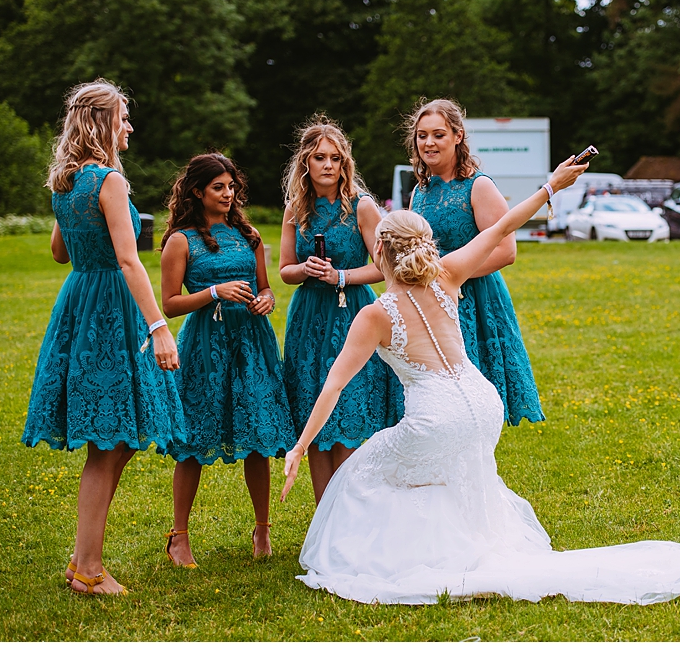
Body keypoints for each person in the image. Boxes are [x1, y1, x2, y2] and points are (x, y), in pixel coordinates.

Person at [279, 157, 680, 605]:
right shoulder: (448, 274)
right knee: (446, 477)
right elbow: (502, 227)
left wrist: (300, 447)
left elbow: (334, 385)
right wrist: (551, 186)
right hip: (483, 404)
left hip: (438, 415)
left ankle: (400, 557)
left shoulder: (374, 314)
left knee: (359, 473)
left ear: (377, 250)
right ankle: (452, 543)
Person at [22, 79, 185, 596]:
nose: (130, 126)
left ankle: (82, 556)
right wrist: (160, 326)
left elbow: (59, 252)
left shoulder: (65, 184)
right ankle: (88, 570)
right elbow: (128, 258)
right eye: (123, 118)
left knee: (117, 437)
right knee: (107, 440)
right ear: (102, 124)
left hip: (80, 301)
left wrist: (85, 230)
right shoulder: (109, 181)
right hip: (113, 310)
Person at [159, 153, 295, 565]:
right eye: (218, 187)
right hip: (205, 345)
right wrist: (214, 292)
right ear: (197, 191)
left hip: (251, 344)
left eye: (231, 186)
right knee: (194, 438)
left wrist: (267, 300)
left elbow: (266, 288)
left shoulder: (249, 235)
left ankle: (263, 530)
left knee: (256, 433)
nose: (228, 194)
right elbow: (169, 303)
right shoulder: (181, 240)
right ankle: (179, 536)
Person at [279, 116, 403, 504]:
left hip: (353, 317)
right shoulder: (295, 208)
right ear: (306, 163)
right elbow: (283, 270)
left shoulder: (362, 206)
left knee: (347, 410)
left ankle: (352, 513)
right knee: (315, 409)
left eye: (335, 157)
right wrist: (303, 270)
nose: (328, 165)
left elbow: (386, 266)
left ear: (345, 163)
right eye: (320, 158)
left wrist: (342, 276)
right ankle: (322, 517)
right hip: (308, 319)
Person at [406, 98, 543, 426]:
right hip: (433, 302)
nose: (429, 143)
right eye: (422, 136)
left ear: (457, 136)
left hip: (476, 301)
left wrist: (450, 275)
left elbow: (506, 250)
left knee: (474, 402)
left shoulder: (478, 185)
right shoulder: (419, 192)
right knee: (439, 402)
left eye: (438, 134)